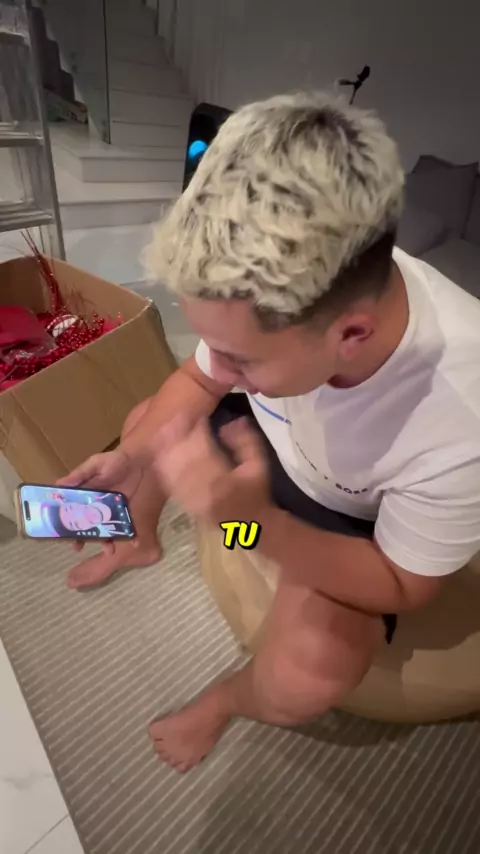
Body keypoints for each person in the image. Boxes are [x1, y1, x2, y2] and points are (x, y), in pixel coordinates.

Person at [59, 91, 480, 774]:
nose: (216, 367)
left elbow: (403, 585)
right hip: (267, 455)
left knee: (309, 673)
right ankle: (139, 541)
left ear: (351, 335)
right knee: (148, 428)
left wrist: (252, 525)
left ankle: (226, 699)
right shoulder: (278, 292)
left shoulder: (461, 418)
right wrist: (131, 458)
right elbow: (197, 383)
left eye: (241, 360)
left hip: (348, 521)